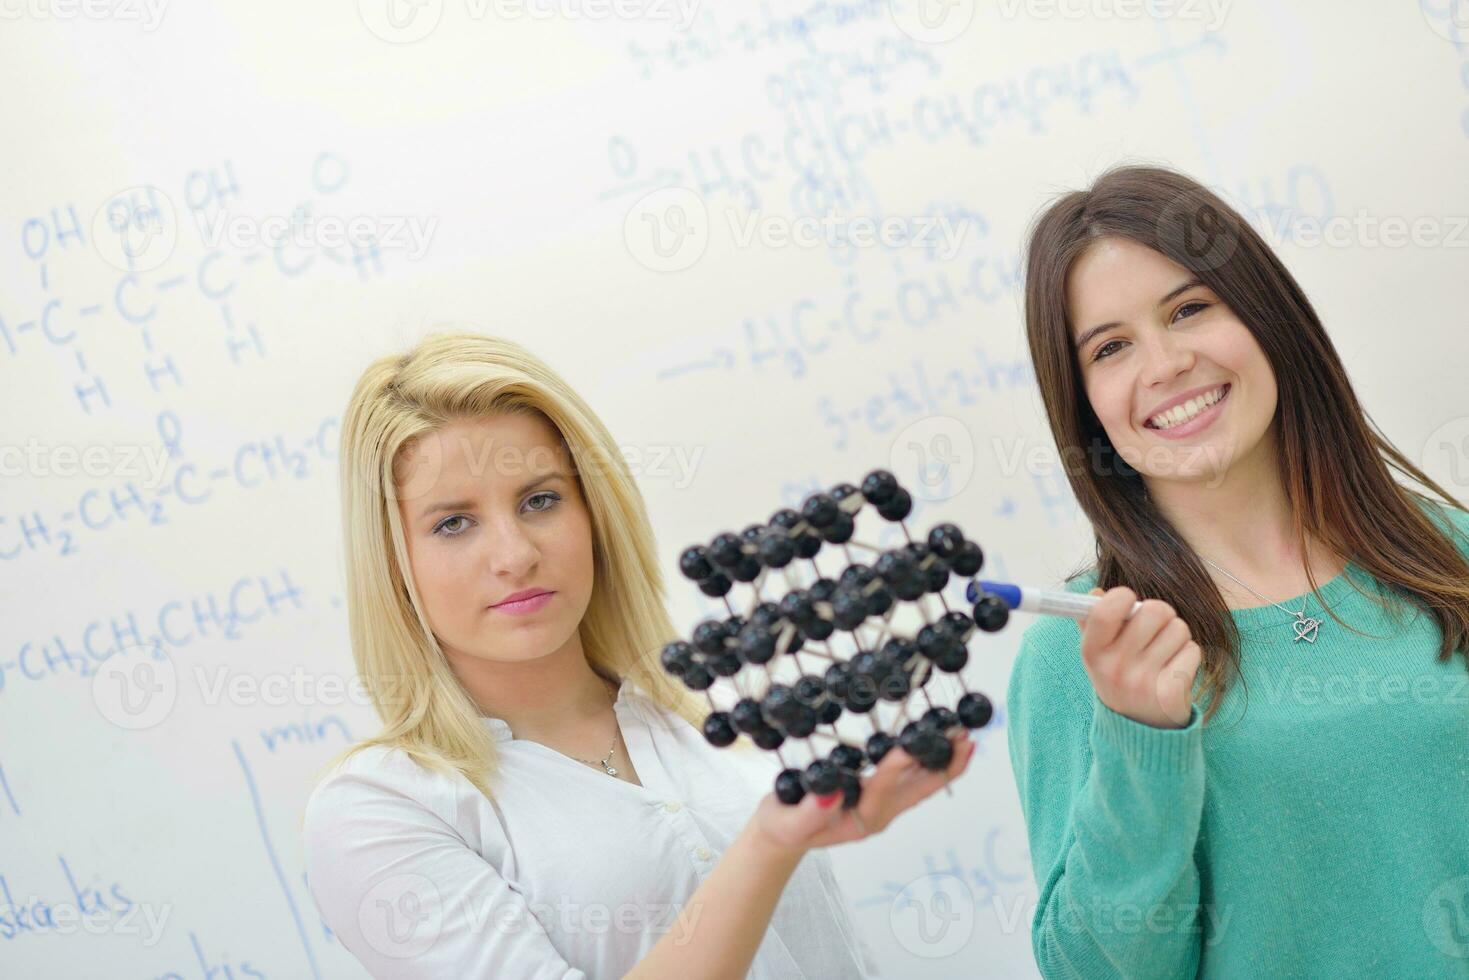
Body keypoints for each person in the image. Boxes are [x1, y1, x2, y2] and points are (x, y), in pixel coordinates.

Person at [300, 331, 975, 979]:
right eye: (452, 523)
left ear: (594, 513)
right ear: (393, 562)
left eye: (540, 500)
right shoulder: (381, 809)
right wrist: (770, 845)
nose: (514, 555)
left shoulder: (707, 718)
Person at [1004, 163, 1469, 978]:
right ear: (1082, 403)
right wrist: (1138, 741)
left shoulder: (1440, 546)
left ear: (1266, 319)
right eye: (1110, 348)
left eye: (1188, 308)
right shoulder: (1082, 656)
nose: (1165, 363)